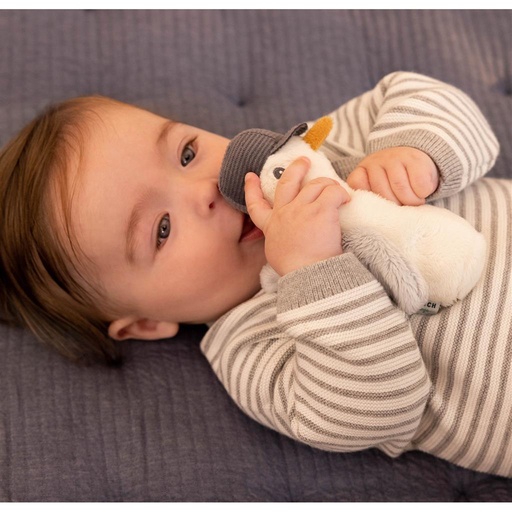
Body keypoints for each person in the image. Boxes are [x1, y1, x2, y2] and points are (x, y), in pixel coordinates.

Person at [0, 72, 510, 477]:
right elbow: (380, 409)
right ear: (146, 324)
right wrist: (313, 271)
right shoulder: (250, 346)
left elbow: (427, 99)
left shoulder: (306, 156)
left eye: (186, 153)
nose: (202, 188)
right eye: (160, 229)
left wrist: (416, 152)